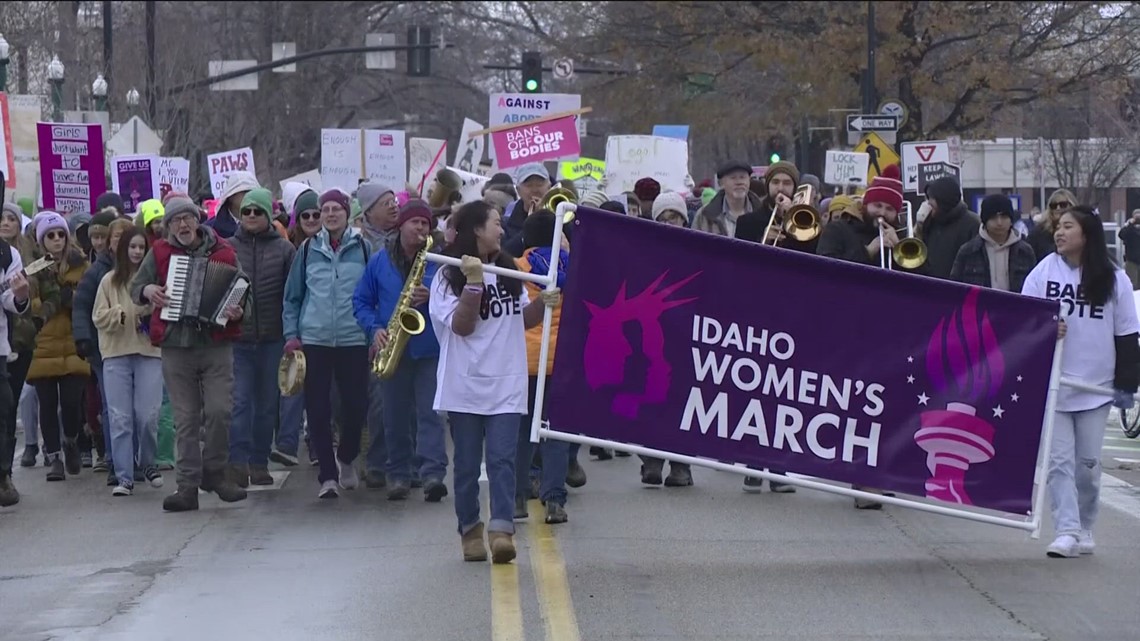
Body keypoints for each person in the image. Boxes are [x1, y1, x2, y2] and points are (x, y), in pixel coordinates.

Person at [428, 200, 561, 564]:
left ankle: (501, 529)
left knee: (503, 460)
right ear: (475, 229)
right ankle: (469, 528)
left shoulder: (507, 268)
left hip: (506, 383)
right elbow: (462, 326)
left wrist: (544, 304)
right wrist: (472, 285)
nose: (502, 231)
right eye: (496, 224)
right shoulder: (447, 275)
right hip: (465, 387)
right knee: (469, 465)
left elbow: (520, 320)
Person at [1021, 205, 1140, 558]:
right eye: (1057, 227)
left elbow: (1126, 335)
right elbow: (1023, 318)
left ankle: (1086, 525)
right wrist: (1045, 328)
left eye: (1068, 227)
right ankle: (1066, 530)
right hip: (1055, 385)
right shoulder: (1044, 271)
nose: (1059, 232)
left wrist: (1126, 386)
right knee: (1058, 462)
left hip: (1096, 389)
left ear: (1086, 234)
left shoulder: (1115, 279)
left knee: (1087, 466)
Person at [130, 195, 248, 512]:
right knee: (185, 419)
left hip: (216, 344)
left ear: (198, 220)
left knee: (220, 411)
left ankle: (215, 473)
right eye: (176, 220)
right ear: (168, 226)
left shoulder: (223, 251)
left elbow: (241, 291)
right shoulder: (159, 252)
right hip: (176, 346)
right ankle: (187, 487)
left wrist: (237, 311)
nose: (183, 225)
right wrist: (148, 290)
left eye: (188, 218)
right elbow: (135, 286)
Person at [353, 199, 449, 502]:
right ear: (401, 226)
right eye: (415, 222)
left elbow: (454, 300)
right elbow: (361, 301)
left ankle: (433, 473)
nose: (420, 228)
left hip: (430, 348)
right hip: (392, 345)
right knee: (393, 415)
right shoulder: (379, 261)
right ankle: (398, 473)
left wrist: (433, 295)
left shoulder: (440, 262)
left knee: (430, 414)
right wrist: (374, 329)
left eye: (425, 223)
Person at [282, 188, 370, 499]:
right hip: (315, 339)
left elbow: (371, 295)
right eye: (325, 210)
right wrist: (292, 335)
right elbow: (292, 298)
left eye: (336, 209)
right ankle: (328, 476)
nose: (330, 214)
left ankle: (346, 457)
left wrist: (373, 331)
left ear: (348, 214)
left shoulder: (364, 248)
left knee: (357, 405)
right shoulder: (307, 250)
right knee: (317, 408)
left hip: (353, 338)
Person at [229, 188, 297, 487]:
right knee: (240, 402)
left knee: (268, 404)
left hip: (273, 338)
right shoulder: (227, 247)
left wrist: (291, 333)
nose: (252, 216)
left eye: (258, 211)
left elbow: (293, 295)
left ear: (268, 215)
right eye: (247, 211)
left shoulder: (285, 249)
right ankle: (237, 463)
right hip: (238, 339)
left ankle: (259, 463)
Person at [93, 228, 164, 496]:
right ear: (122, 249)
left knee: (148, 415)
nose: (136, 252)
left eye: (140, 247)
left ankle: (147, 462)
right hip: (116, 353)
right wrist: (119, 314)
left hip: (148, 353)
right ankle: (124, 476)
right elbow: (97, 316)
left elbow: (163, 310)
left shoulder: (155, 281)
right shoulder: (109, 281)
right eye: (132, 247)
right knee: (120, 418)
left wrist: (148, 312)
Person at [26, 212, 90, 482]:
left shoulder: (81, 265)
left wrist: (72, 298)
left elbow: (89, 299)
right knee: (48, 405)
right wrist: (52, 302)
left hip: (74, 342)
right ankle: (54, 458)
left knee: (72, 403)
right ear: (42, 240)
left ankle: (71, 440)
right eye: (50, 235)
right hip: (45, 345)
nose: (56, 239)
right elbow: (29, 306)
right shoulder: (34, 269)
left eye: (60, 234)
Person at [0, 233, 33, 507]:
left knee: (4, 406)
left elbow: (11, 300)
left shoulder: (8, 254)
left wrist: (20, 294)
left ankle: (2, 475)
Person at [950, 194, 1037, 293]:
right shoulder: (969, 251)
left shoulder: (1025, 251)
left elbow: (1035, 286)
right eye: (993, 217)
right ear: (985, 220)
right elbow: (955, 288)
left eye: (1004, 217)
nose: (999, 222)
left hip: (1017, 307)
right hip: (979, 306)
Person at [917, 176, 980, 280]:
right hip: (930, 287)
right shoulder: (930, 221)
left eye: (932, 198)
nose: (928, 202)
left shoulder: (972, 223)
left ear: (943, 200)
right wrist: (919, 228)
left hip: (958, 289)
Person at [692, 160, 760, 237]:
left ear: (749, 181)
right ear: (721, 183)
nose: (739, 182)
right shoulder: (704, 215)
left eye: (742, 177)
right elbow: (693, 246)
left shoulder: (762, 212)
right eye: (733, 178)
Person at [1027, 189, 1077, 264]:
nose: (1058, 208)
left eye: (1062, 205)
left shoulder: (1081, 230)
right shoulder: (1038, 233)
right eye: (1054, 206)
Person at [208, 171, 260, 239]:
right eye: (245, 192)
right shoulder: (210, 230)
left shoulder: (266, 227)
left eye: (253, 192)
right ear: (231, 196)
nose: (250, 196)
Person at [1117, 208, 1140, 290]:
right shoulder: (1129, 228)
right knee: (1131, 285)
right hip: (1131, 262)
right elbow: (1121, 235)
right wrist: (1130, 224)